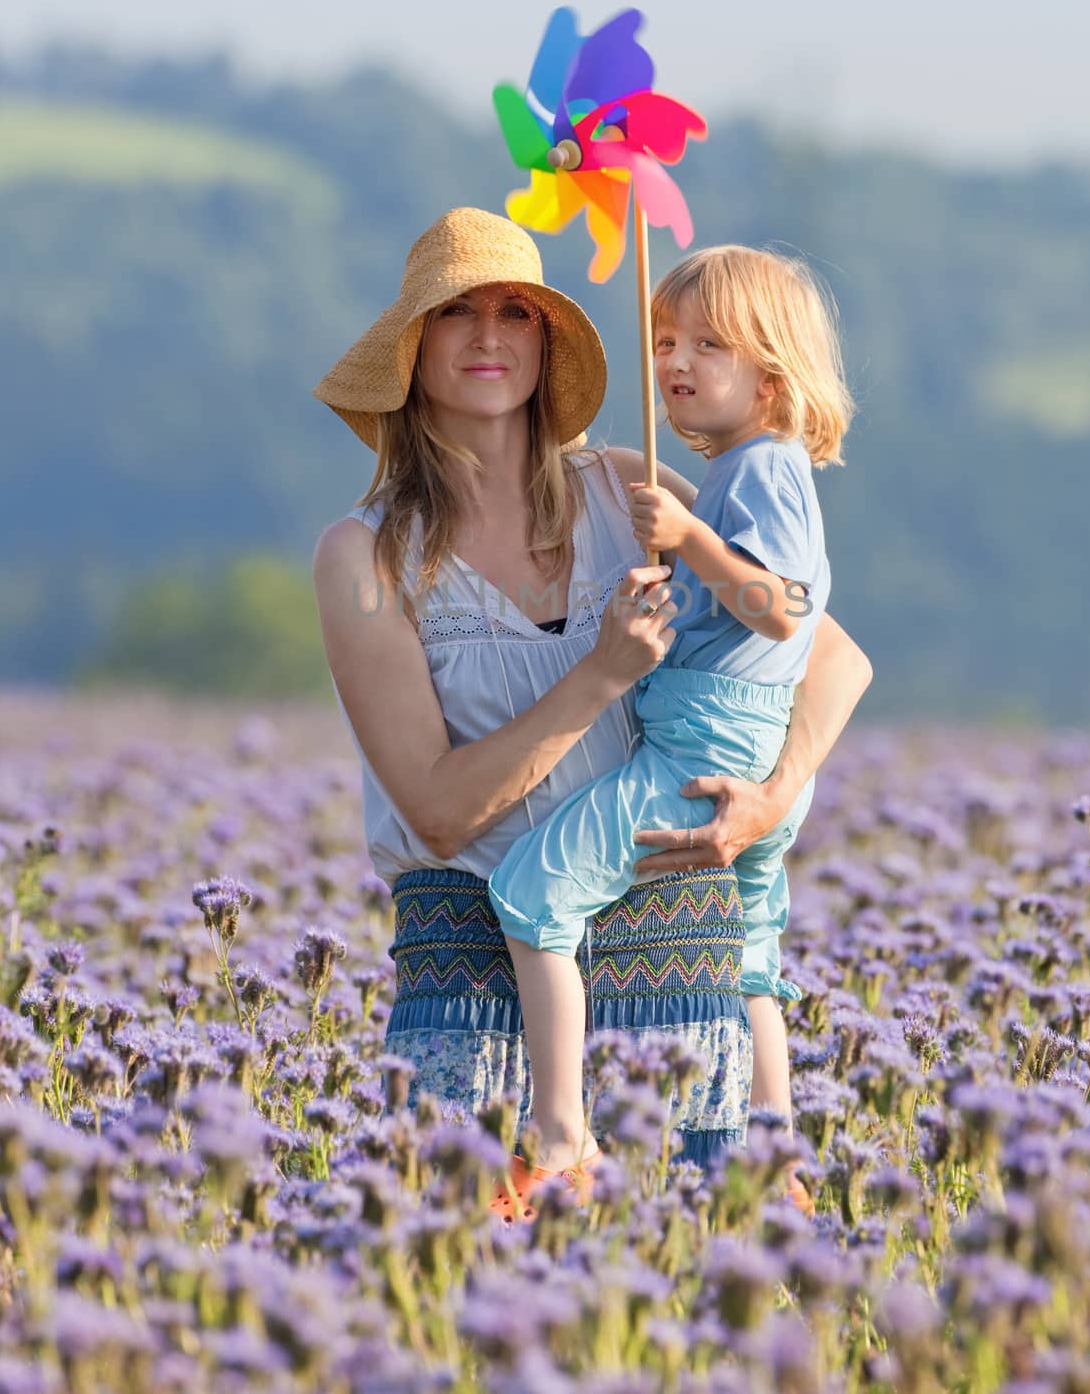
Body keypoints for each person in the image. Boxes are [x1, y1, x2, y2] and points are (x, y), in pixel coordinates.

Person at [310, 208, 872, 1201]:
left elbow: (828, 653)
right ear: (413, 348)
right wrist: (599, 677)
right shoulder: (364, 556)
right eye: (455, 314)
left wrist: (772, 795)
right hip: (469, 1012)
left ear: (546, 340)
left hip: (677, 1003)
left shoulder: (623, 490)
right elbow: (437, 811)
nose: (488, 335)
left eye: (516, 312)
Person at [487, 243, 854, 1208]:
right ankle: (777, 1157)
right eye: (661, 342)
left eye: (706, 344)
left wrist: (691, 540)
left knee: (533, 894)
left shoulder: (764, 472)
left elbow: (783, 609)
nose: (675, 362)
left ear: (771, 377)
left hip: (708, 745)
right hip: (751, 739)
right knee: (752, 954)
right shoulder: (744, 470)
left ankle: (561, 1137)